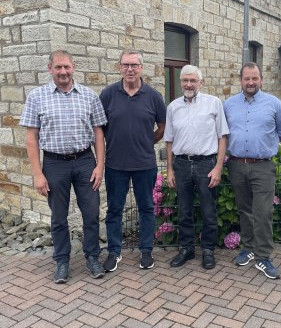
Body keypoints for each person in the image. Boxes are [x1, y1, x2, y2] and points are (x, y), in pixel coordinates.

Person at [20, 50, 107, 283]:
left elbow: (99, 133)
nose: (63, 72)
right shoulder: (37, 97)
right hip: (54, 163)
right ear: (50, 69)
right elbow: (31, 138)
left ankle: (92, 257)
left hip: (85, 162)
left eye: (66, 67)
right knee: (59, 216)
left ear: (74, 67)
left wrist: (100, 166)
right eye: (58, 67)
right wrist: (37, 174)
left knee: (91, 213)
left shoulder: (89, 96)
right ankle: (61, 262)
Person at [100, 49, 166, 271]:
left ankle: (146, 252)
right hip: (115, 165)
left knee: (146, 208)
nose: (130, 69)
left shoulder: (154, 96)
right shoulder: (108, 94)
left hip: (144, 164)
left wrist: (147, 142)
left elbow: (162, 128)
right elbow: (99, 129)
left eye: (134, 65)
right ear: (119, 67)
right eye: (126, 65)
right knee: (114, 210)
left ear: (141, 68)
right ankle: (114, 252)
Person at [224, 62, 281, 279]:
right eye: (246, 79)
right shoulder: (229, 105)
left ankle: (264, 256)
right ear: (240, 80)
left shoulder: (275, 104)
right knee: (245, 210)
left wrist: (261, 147)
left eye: (254, 78)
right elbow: (223, 134)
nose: (250, 82)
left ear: (261, 79)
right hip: (236, 164)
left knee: (263, 212)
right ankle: (248, 248)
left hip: (263, 165)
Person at [164, 65, 229, 269]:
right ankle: (187, 249)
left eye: (193, 80)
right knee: (184, 210)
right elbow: (169, 141)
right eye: (185, 80)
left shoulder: (214, 103)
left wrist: (218, 167)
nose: (189, 84)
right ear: (181, 82)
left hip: (206, 164)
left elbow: (222, 136)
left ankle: (208, 250)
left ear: (201, 82)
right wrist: (170, 169)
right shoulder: (173, 107)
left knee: (209, 210)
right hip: (182, 163)